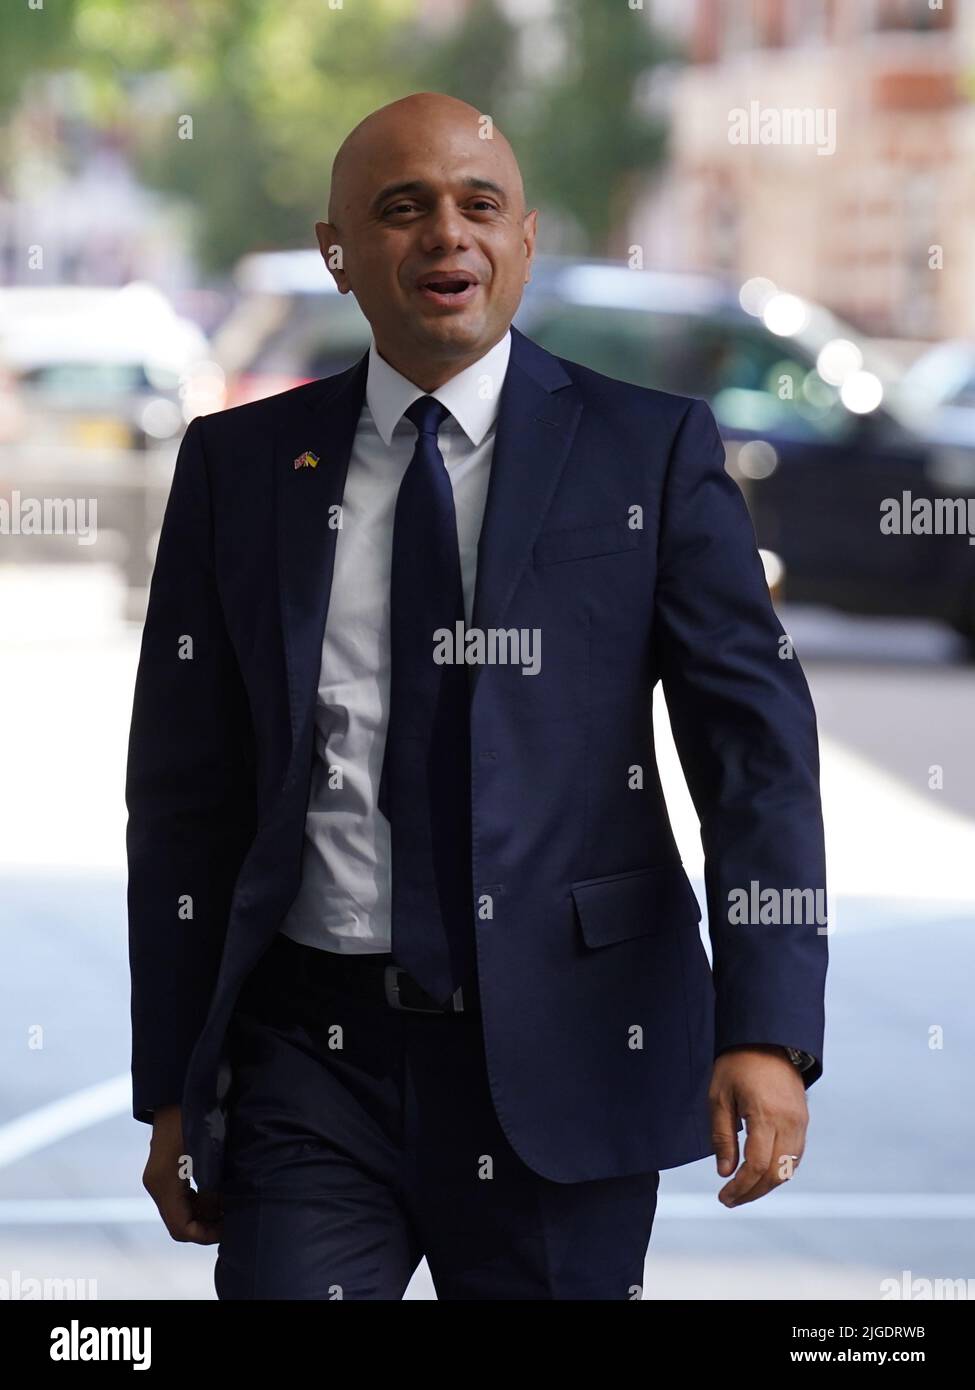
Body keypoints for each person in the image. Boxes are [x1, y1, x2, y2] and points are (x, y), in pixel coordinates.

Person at [127, 91, 827, 1300]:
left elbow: (754, 751)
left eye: (478, 204)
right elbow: (184, 795)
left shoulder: (649, 453)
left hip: (570, 1044)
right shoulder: (240, 469)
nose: (446, 234)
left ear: (524, 239)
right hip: (311, 1057)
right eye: (401, 210)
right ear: (338, 252)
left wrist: (766, 1025)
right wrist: (177, 1083)